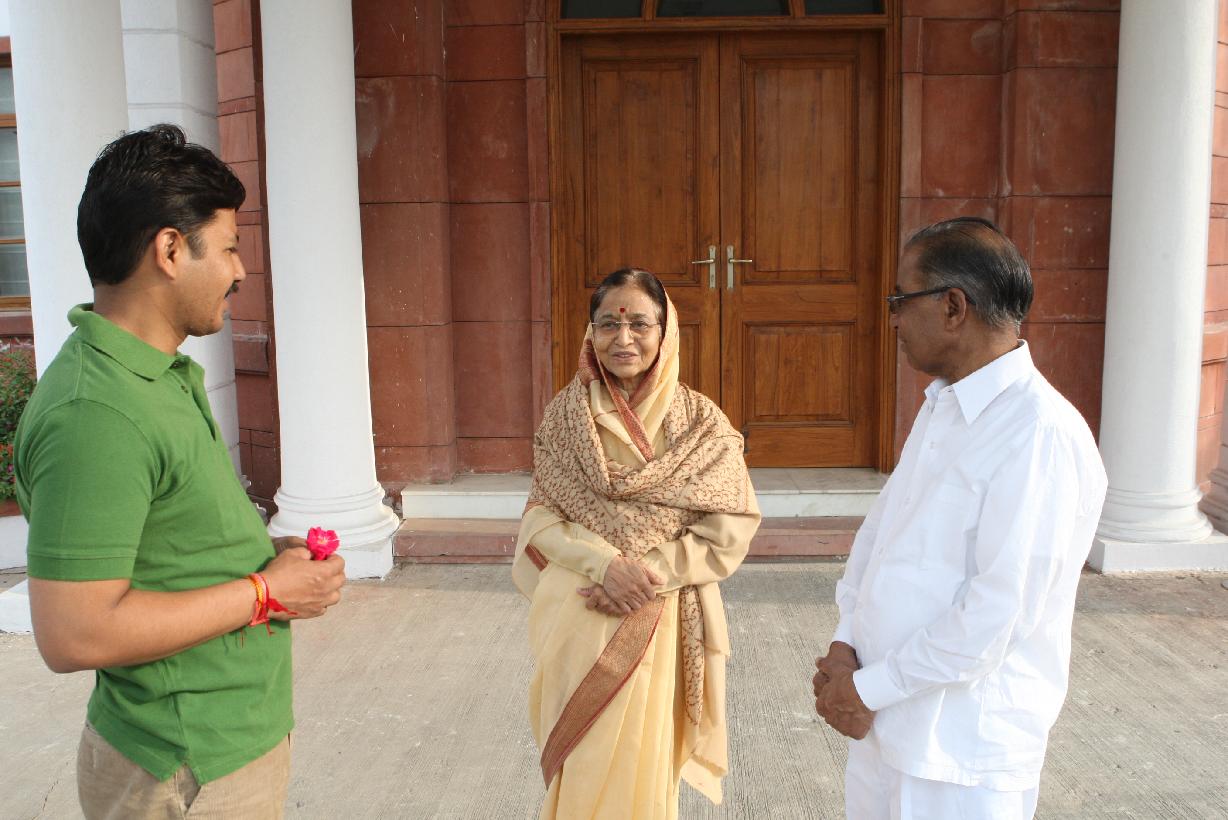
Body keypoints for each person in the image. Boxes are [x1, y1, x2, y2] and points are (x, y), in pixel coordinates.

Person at [16, 124, 346, 819]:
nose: (241, 271)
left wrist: (261, 558)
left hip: (215, 751)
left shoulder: (154, 375)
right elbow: (74, 633)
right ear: (169, 250)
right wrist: (265, 591)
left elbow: (165, 546)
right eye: (228, 247)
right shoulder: (96, 413)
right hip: (183, 767)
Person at [812, 217, 1108, 819]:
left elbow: (997, 614)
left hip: (960, 752)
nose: (893, 319)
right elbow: (882, 538)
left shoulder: (1039, 433)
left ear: (953, 307)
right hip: (884, 726)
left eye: (900, 299)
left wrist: (867, 689)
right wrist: (847, 643)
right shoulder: (944, 404)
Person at [513, 268, 761, 819]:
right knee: (583, 762)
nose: (624, 339)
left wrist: (645, 574)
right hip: (581, 609)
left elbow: (731, 526)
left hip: (663, 611)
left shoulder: (702, 424)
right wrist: (604, 566)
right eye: (609, 324)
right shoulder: (566, 418)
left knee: (643, 763)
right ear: (591, 333)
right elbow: (540, 520)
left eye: (640, 325)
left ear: (665, 332)